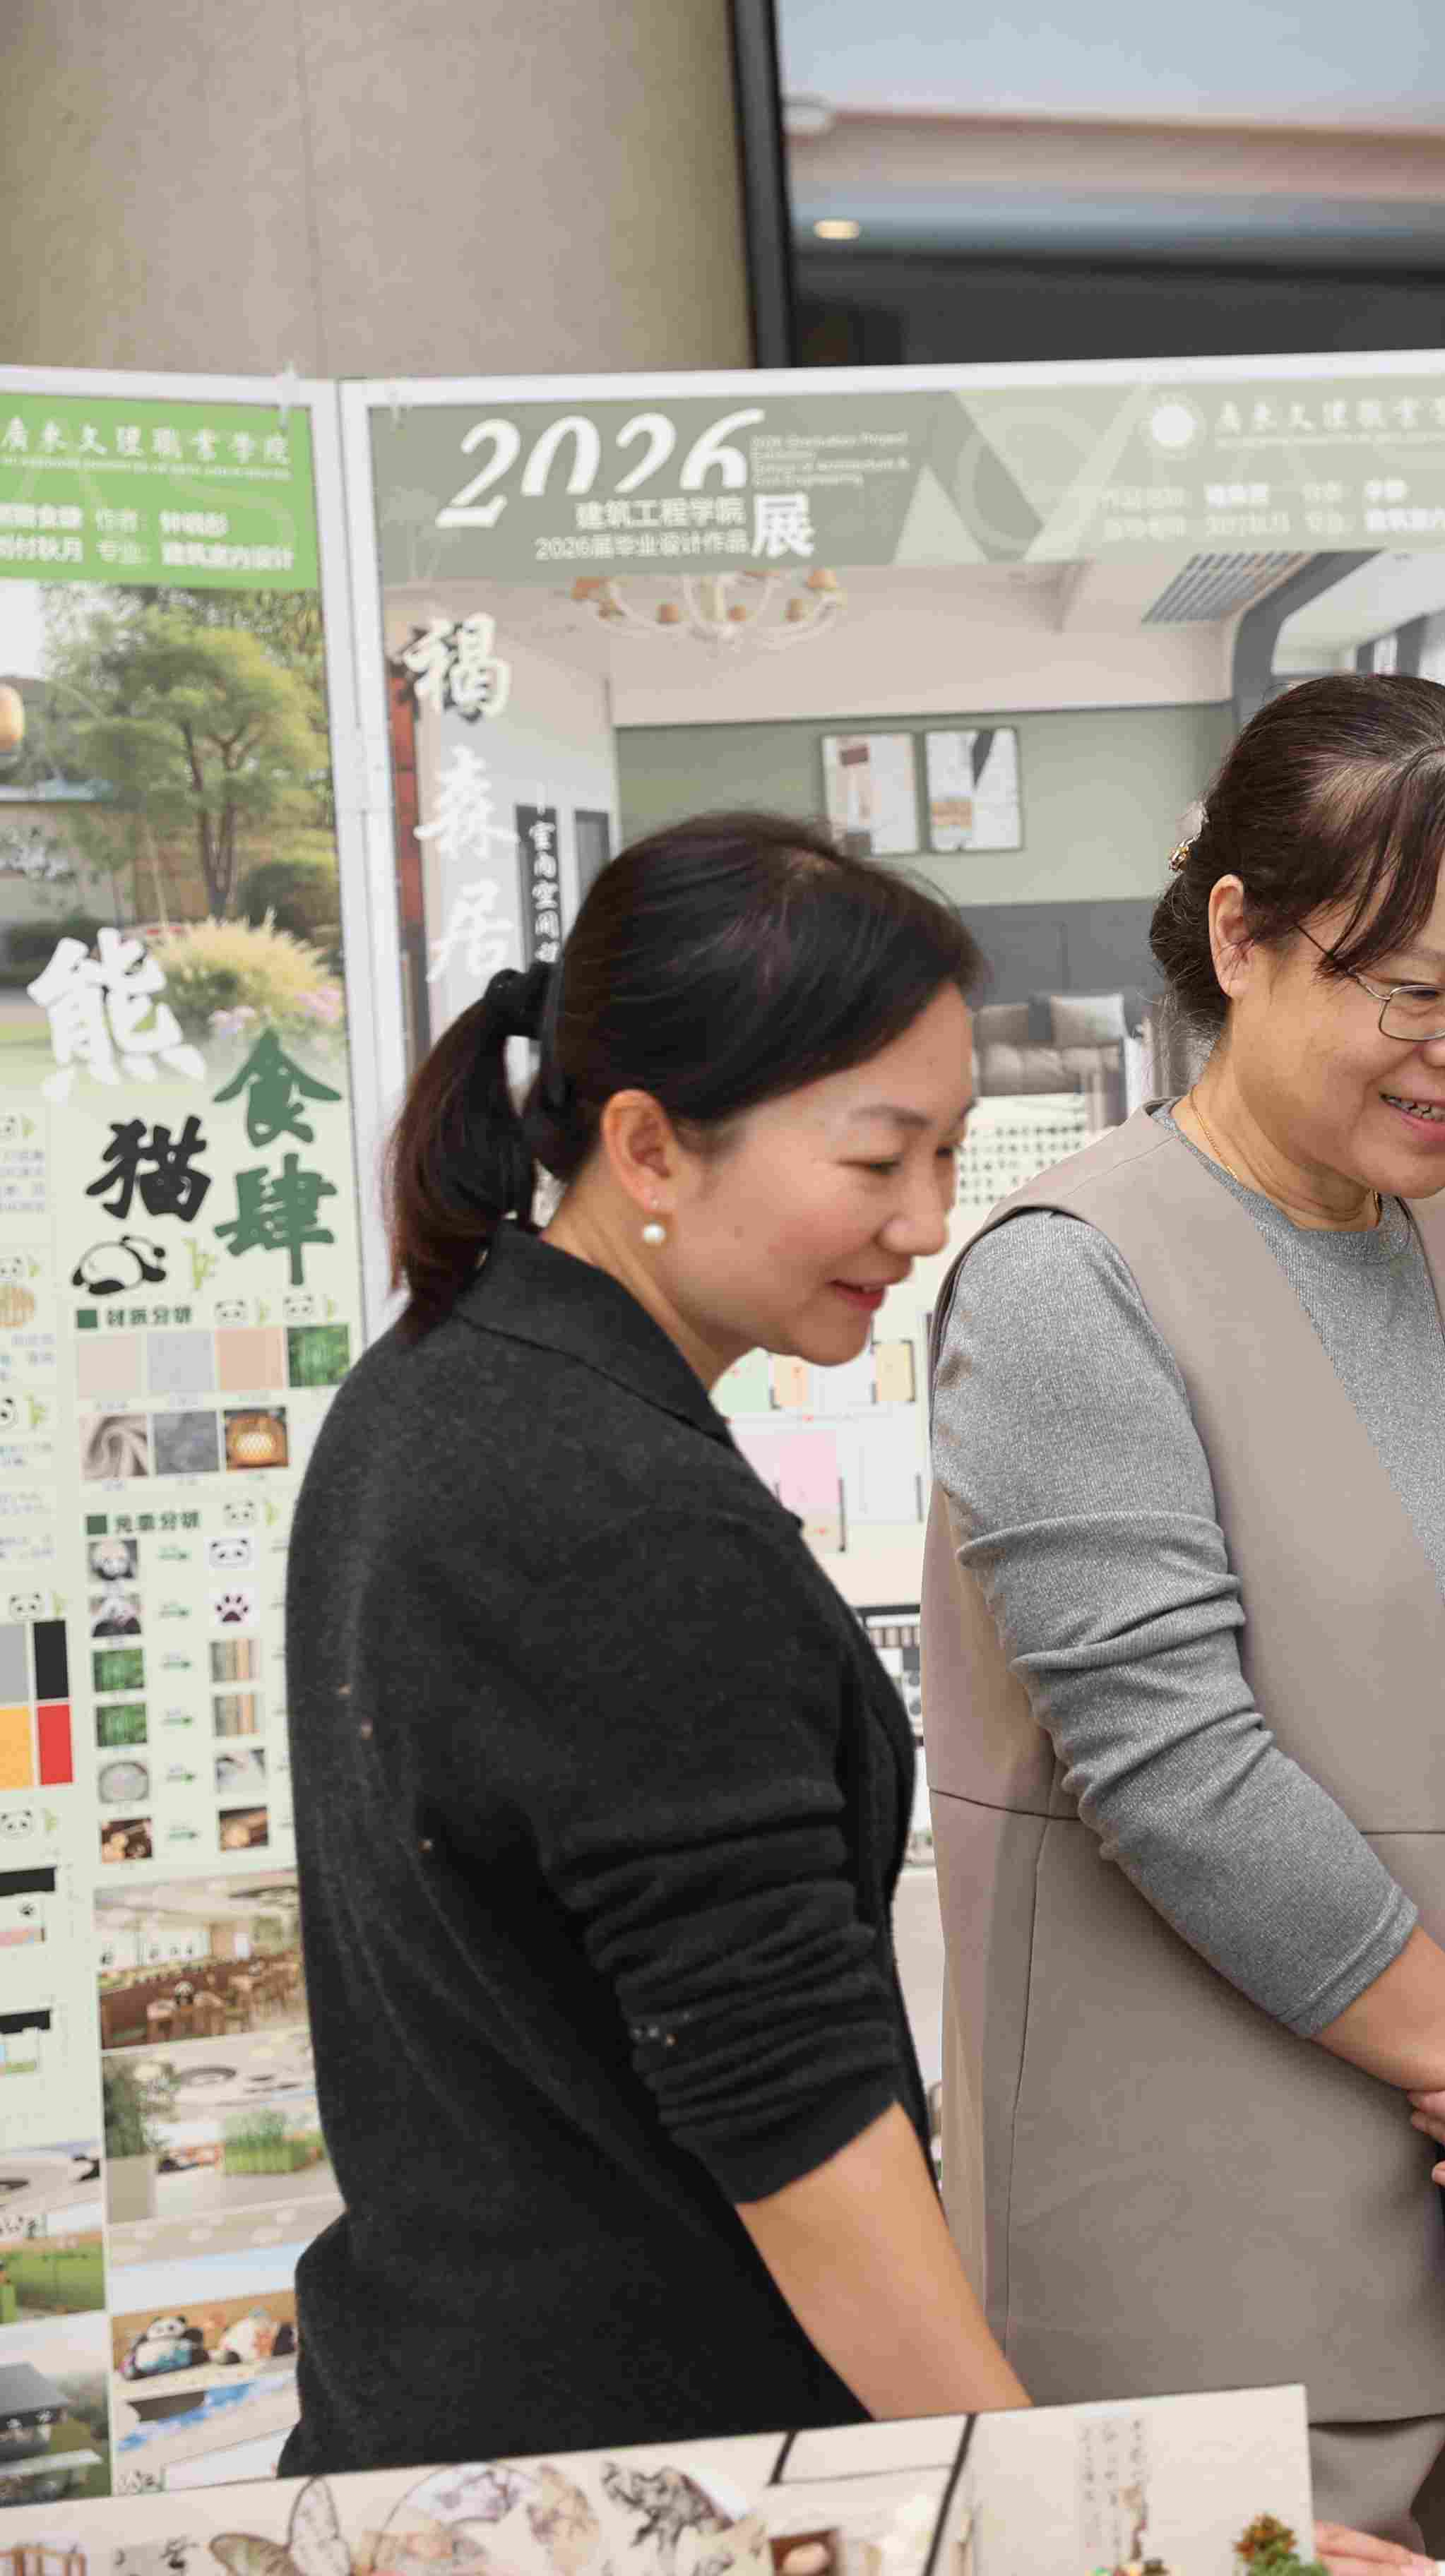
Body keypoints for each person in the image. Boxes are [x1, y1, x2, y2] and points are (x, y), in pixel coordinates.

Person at [926, 674, 1445, 2558]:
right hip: (1209, 2272)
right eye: (1412, 991)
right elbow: (1178, 1774)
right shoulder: (1071, 1278)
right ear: (1240, 937)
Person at [286, 813, 1025, 2469]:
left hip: (449, 2402)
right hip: (629, 2466)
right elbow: (790, 2101)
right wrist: (1048, 2503)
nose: (926, 1223)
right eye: (878, 1160)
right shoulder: (615, 1507)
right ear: (649, 1146)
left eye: (948, 1155)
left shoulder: (437, 1384)